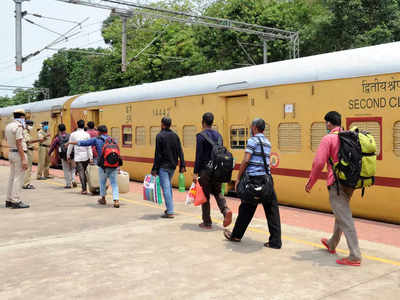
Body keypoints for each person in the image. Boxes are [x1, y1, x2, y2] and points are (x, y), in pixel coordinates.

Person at [305, 111, 362, 266]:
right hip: (350, 182)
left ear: (329, 124)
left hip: (336, 183)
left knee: (345, 217)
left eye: (326, 123)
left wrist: (310, 183)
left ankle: (355, 256)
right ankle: (332, 244)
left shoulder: (328, 139)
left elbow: (318, 163)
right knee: (341, 213)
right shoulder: (349, 136)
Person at [224, 118, 282, 249]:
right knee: (272, 210)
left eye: (251, 127)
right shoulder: (267, 142)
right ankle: (275, 241)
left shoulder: (252, 140)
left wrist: (238, 178)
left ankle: (236, 235)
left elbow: (246, 160)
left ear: (255, 128)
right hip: (266, 180)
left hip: (253, 181)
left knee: (246, 209)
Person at [193, 112, 232, 229]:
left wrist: (195, 172)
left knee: (205, 195)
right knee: (217, 191)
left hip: (205, 170)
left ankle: (207, 222)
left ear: (203, 122)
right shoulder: (219, 136)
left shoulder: (200, 136)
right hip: (218, 170)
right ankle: (226, 211)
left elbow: (198, 156)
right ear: (212, 122)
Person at [69, 125, 120, 208]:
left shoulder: (96, 140)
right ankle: (116, 201)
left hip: (103, 166)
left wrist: (70, 143)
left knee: (102, 182)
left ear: (99, 132)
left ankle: (103, 199)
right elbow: (117, 152)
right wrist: (118, 167)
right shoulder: (113, 140)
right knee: (114, 183)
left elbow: (83, 143)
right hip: (113, 165)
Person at [151, 117, 186, 218]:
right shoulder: (175, 136)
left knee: (166, 188)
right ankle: (169, 208)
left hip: (163, 167)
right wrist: (182, 164)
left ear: (162, 124)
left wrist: (154, 168)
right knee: (168, 186)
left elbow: (158, 154)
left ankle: (170, 211)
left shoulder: (159, 136)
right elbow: (180, 151)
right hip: (173, 166)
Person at [5, 109, 29, 209]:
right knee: (18, 178)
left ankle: (9, 200)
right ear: (22, 117)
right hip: (19, 154)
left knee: (12, 177)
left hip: (11, 152)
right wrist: (23, 158)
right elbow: (19, 143)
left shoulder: (8, 126)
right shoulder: (18, 127)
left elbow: (7, 139)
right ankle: (16, 200)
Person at [67, 120, 93, 194]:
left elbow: (70, 145)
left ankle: (84, 189)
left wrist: (68, 155)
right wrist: (91, 157)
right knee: (85, 172)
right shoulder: (87, 134)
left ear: (77, 125)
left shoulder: (73, 134)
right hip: (86, 156)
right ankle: (88, 187)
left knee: (81, 172)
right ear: (84, 125)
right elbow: (89, 146)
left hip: (78, 157)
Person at [48, 124, 76, 188]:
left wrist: (49, 153)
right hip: (71, 154)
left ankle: (68, 184)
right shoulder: (70, 136)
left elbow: (53, 146)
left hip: (63, 156)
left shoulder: (57, 138)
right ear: (65, 129)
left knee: (66, 170)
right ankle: (73, 180)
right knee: (72, 168)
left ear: (59, 130)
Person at [22, 120, 41, 190]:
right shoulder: (25, 132)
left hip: (30, 150)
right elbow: (28, 141)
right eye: (30, 125)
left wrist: (34, 147)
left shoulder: (27, 132)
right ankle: (26, 184)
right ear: (26, 125)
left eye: (32, 125)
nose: (31, 126)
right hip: (28, 151)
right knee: (28, 168)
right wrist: (38, 140)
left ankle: (25, 182)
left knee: (28, 168)